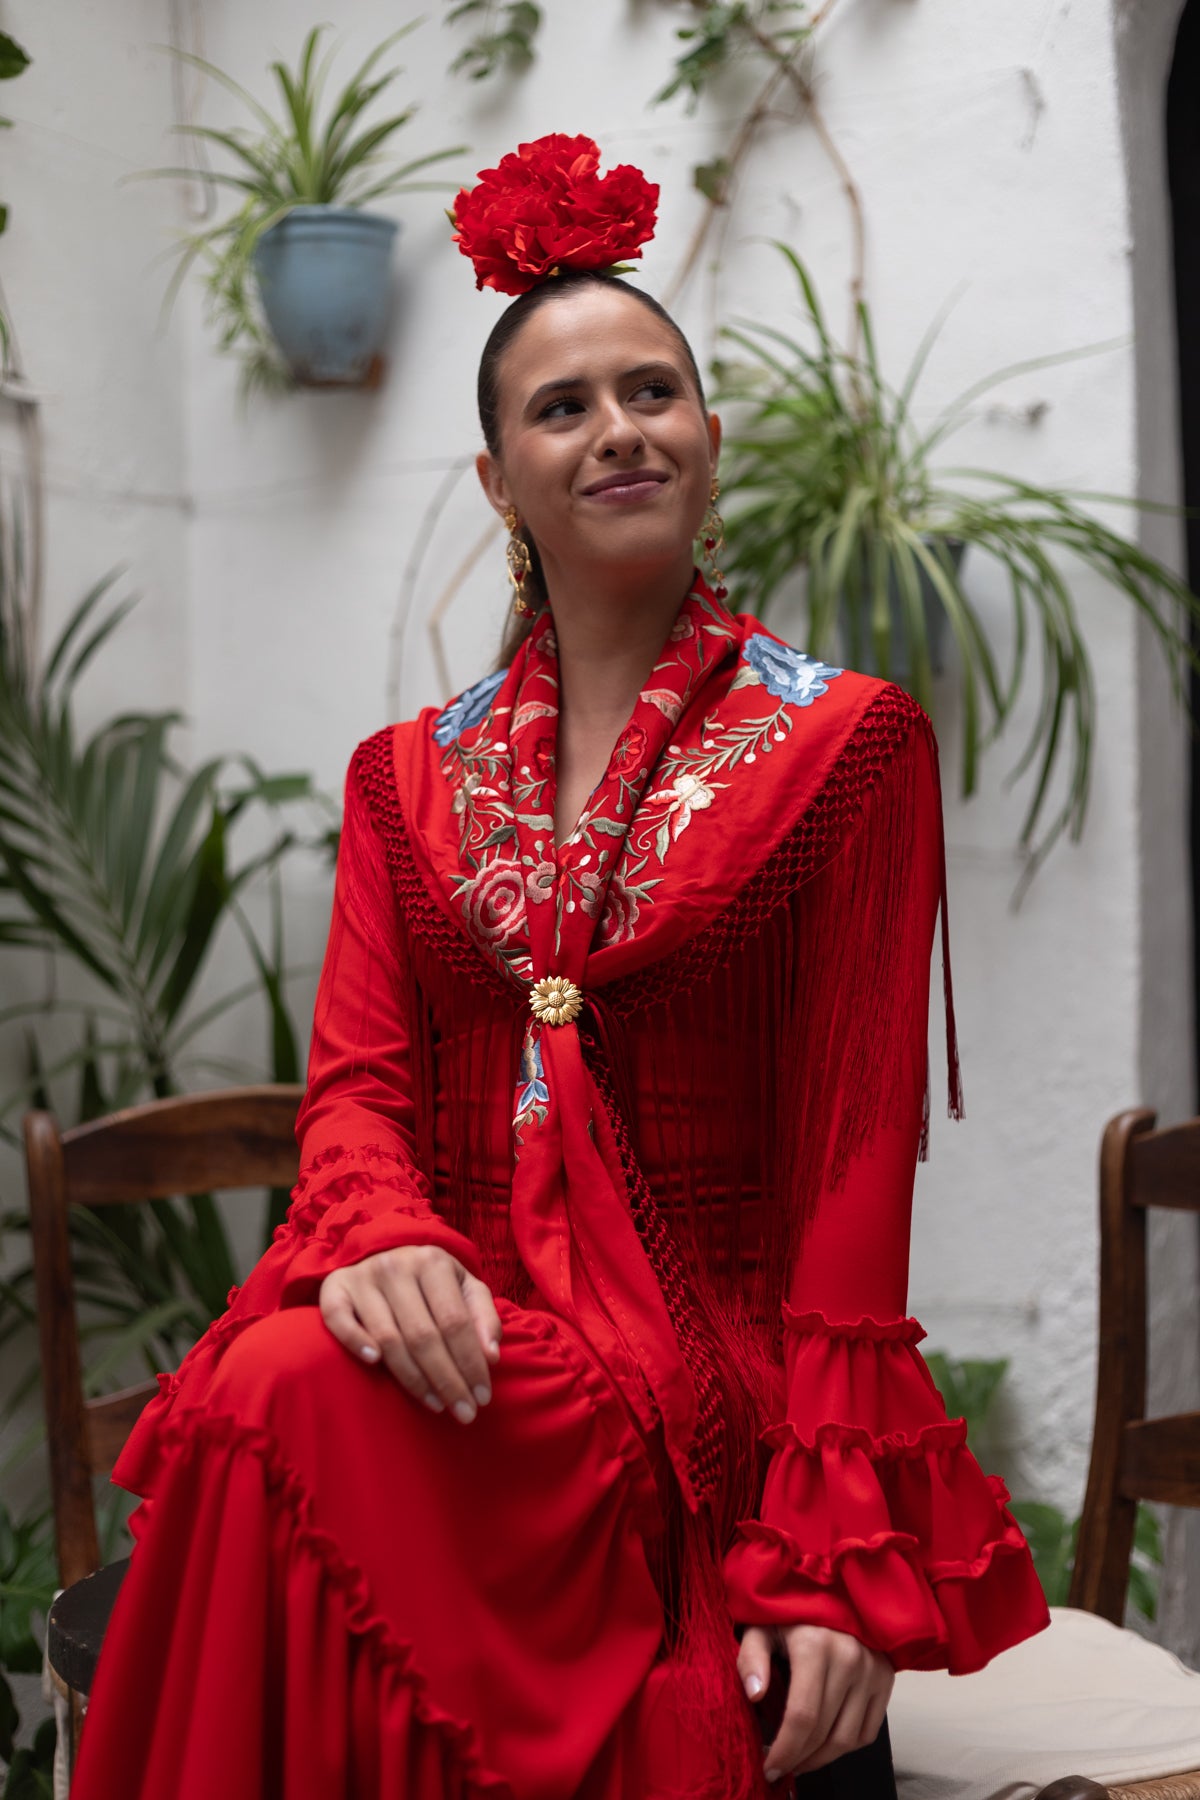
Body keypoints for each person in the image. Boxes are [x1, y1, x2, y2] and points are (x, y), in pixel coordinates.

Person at [72, 134, 1049, 1800]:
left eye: (652, 390)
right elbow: (362, 1085)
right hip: (474, 1338)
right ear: (496, 479)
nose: (618, 430)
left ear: (710, 442)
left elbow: (855, 1164)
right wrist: (377, 1238)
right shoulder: (404, 776)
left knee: (283, 1386)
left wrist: (833, 1543)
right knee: (274, 1376)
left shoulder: (845, 747)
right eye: (562, 406)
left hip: (710, 1362)